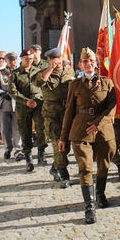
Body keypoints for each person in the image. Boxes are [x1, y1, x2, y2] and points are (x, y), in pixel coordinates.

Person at [59, 47, 117, 224]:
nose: (88, 64)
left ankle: (99, 192)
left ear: (96, 63)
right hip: (80, 128)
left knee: (104, 164)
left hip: (102, 128)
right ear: (80, 65)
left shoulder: (107, 83)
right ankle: (89, 206)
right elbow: (69, 111)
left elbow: (112, 107)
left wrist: (98, 124)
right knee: (85, 167)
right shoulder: (74, 85)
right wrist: (63, 137)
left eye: (91, 61)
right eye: (85, 62)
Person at [35, 47, 75, 187]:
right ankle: (65, 176)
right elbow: (39, 82)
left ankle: (55, 167)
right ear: (49, 60)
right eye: (53, 60)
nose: (56, 62)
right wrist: (50, 69)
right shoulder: (44, 72)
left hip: (68, 112)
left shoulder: (69, 71)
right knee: (59, 146)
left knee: (67, 146)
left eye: (58, 59)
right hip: (52, 114)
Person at [8, 49, 46, 172]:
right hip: (23, 106)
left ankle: (41, 153)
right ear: (21, 59)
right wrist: (25, 101)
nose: (29, 61)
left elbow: (44, 85)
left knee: (41, 128)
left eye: (31, 59)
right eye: (26, 59)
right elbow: (12, 91)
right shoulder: (15, 74)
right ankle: (28, 158)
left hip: (38, 104)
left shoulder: (37, 71)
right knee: (25, 132)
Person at [0, 52, 23, 160]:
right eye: (10, 59)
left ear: (17, 59)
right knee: (4, 129)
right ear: (6, 60)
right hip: (4, 104)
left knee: (17, 128)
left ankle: (18, 150)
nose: (12, 61)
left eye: (14, 59)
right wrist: (2, 93)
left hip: (18, 104)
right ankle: (7, 148)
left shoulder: (21, 72)